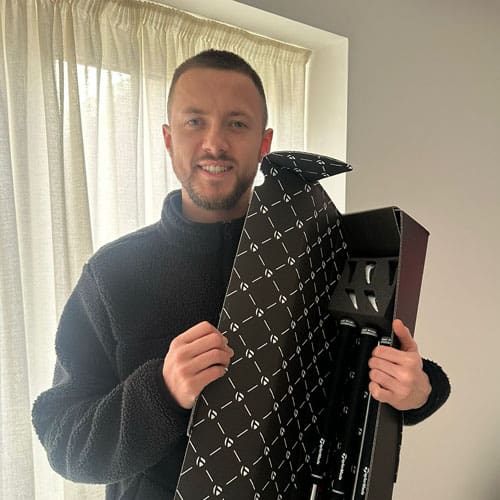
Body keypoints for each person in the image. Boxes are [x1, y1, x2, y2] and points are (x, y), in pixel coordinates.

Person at [32, 50, 450, 500]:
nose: (215, 143)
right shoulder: (112, 274)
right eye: (195, 121)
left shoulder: (318, 251)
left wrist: (419, 390)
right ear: (169, 138)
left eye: (237, 123)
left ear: (264, 143)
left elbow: (366, 364)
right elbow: (64, 442)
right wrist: (161, 393)